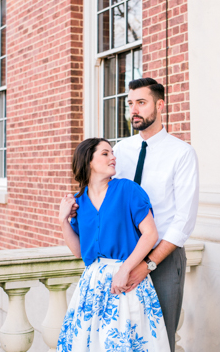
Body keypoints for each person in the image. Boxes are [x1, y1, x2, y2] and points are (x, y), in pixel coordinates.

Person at [70, 77, 199, 351]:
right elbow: (102, 193)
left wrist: (147, 264)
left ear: (160, 105)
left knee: (160, 337)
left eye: (141, 102)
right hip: (121, 260)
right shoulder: (119, 150)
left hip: (163, 257)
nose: (134, 110)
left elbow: (183, 221)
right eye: (130, 104)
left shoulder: (182, 153)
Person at [57, 138, 170, 351]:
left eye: (112, 153)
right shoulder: (77, 201)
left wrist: (125, 270)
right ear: (88, 161)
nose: (113, 157)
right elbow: (78, 251)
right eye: (105, 153)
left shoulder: (128, 190)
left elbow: (150, 234)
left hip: (127, 281)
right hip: (92, 286)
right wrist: (63, 220)